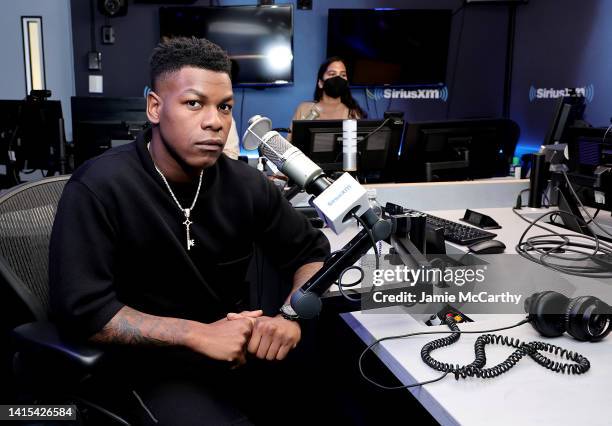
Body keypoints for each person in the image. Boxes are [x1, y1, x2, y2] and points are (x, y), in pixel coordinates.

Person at [49, 37, 330, 425]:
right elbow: (85, 311)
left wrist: (289, 316)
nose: (215, 121)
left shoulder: (248, 186)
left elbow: (312, 253)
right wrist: (197, 335)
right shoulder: (99, 187)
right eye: (194, 103)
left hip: (234, 356)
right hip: (144, 369)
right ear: (154, 107)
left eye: (225, 107)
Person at [290, 56, 365, 135]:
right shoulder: (304, 109)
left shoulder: (353, 112)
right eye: (332, 74)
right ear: (320, 83)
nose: (338, 78)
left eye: (343, 75)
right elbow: (290, 143)